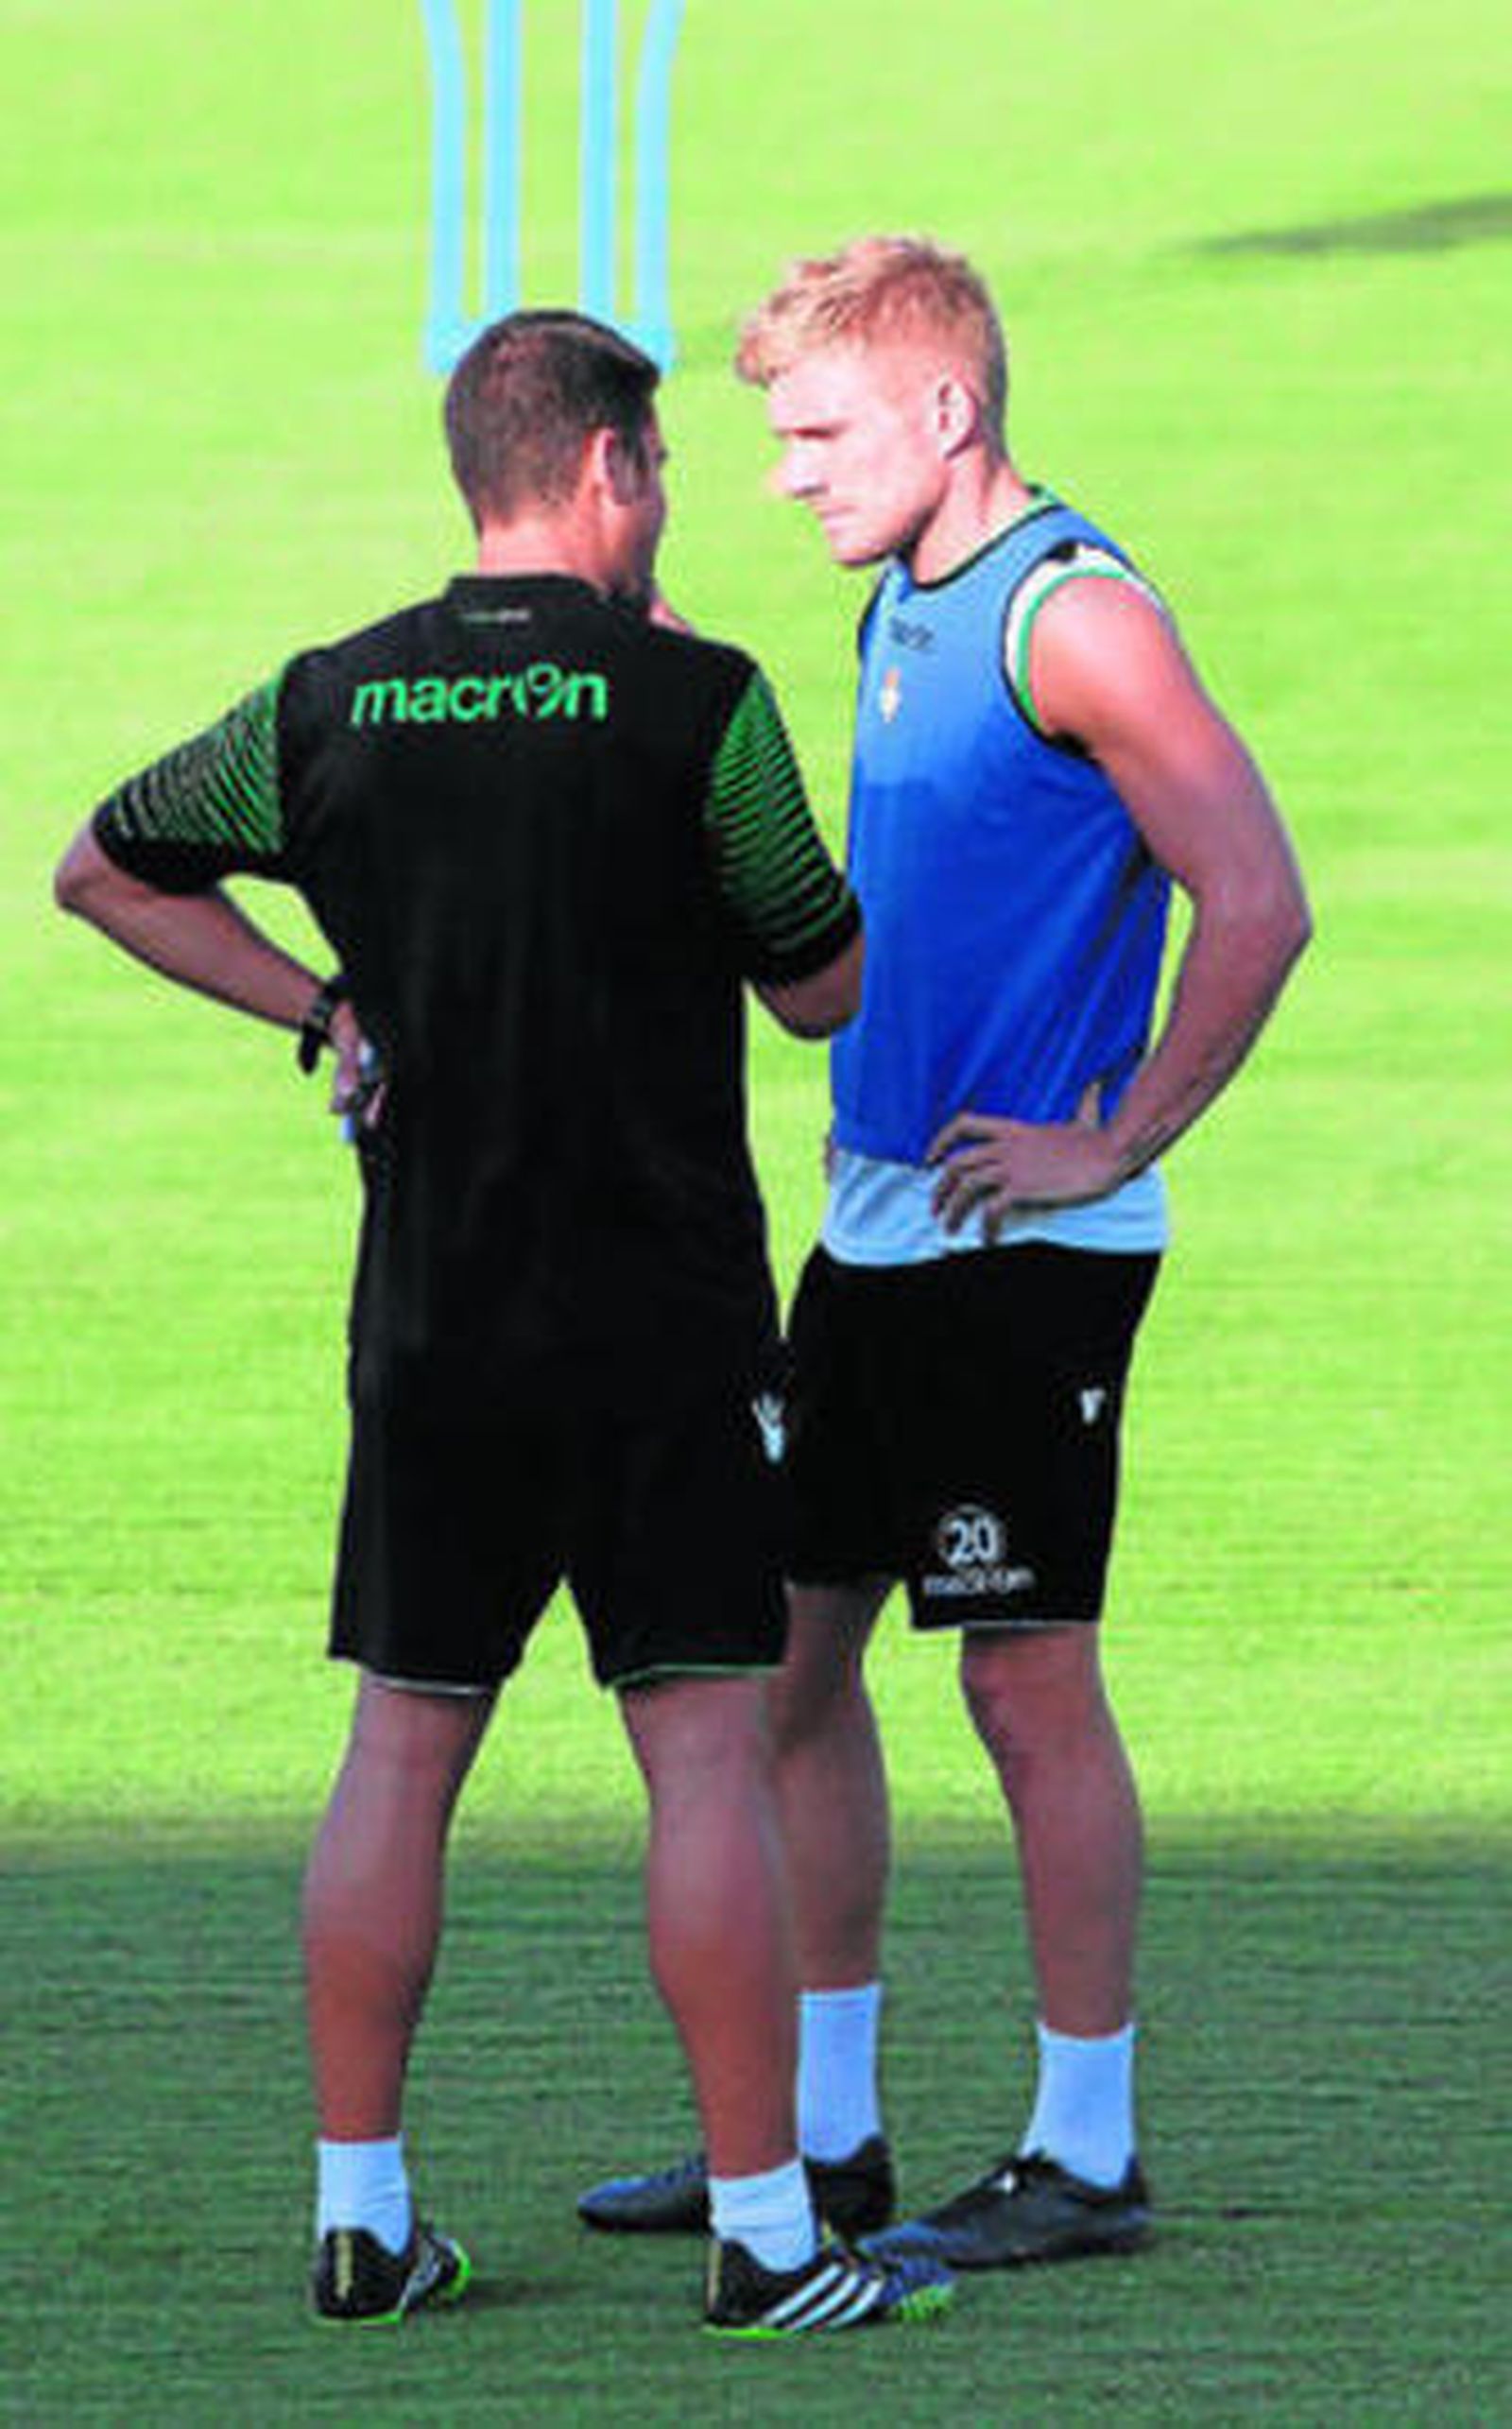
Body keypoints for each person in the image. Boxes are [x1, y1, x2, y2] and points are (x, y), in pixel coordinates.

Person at [54, 309, 956, 2337]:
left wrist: (324, 1005)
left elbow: (106, 868)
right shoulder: (697, 701)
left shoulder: (328, 700)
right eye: (667, 472)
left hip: (433, 1323)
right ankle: (764, 2234)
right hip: (661, 1325)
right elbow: (820, 985)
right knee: (705, 1754)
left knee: (399, 1743)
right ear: (613, 472)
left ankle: (360, 2221)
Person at [577, 238, 1312, 2267]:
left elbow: (1252, 896)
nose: (785, 471)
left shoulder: (1075, 623)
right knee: (791, 1666)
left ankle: (1085, 2150)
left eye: (813, 433)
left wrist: (1113, 1136)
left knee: (1020, 1677)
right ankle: (826, 2134)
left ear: (942, 415)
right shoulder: (903, 594)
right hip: (873, 1226)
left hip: (1023, 1242)